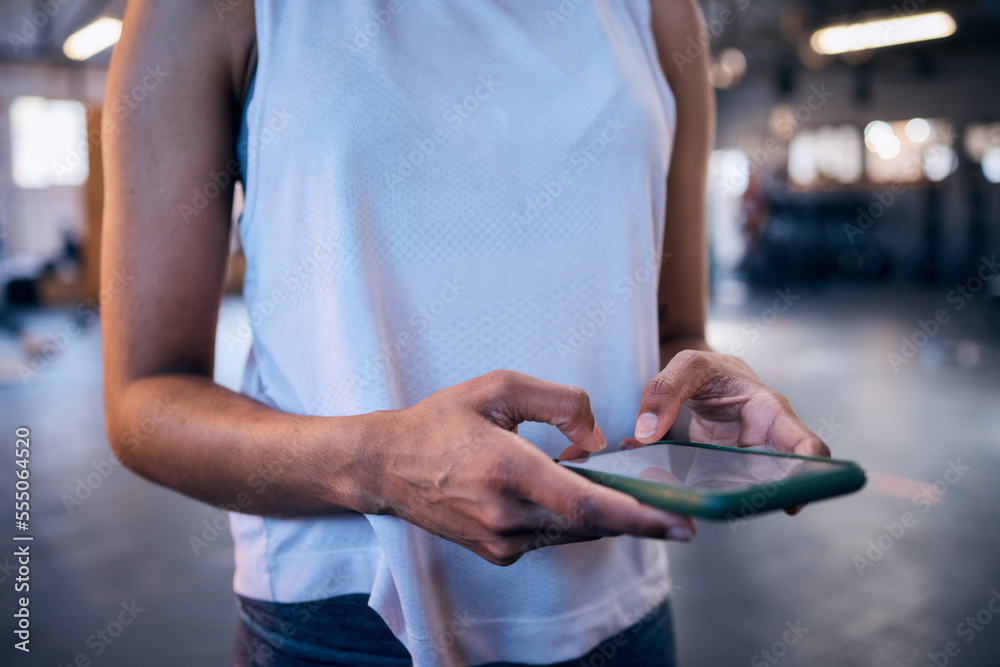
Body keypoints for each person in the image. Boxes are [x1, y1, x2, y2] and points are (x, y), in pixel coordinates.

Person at [100, 2, 830, 666]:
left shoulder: (661, 14)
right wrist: (379, 465)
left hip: (617, 614)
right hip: (344, 627)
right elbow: (145, 399)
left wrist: (695, 392)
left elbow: (673, 329)